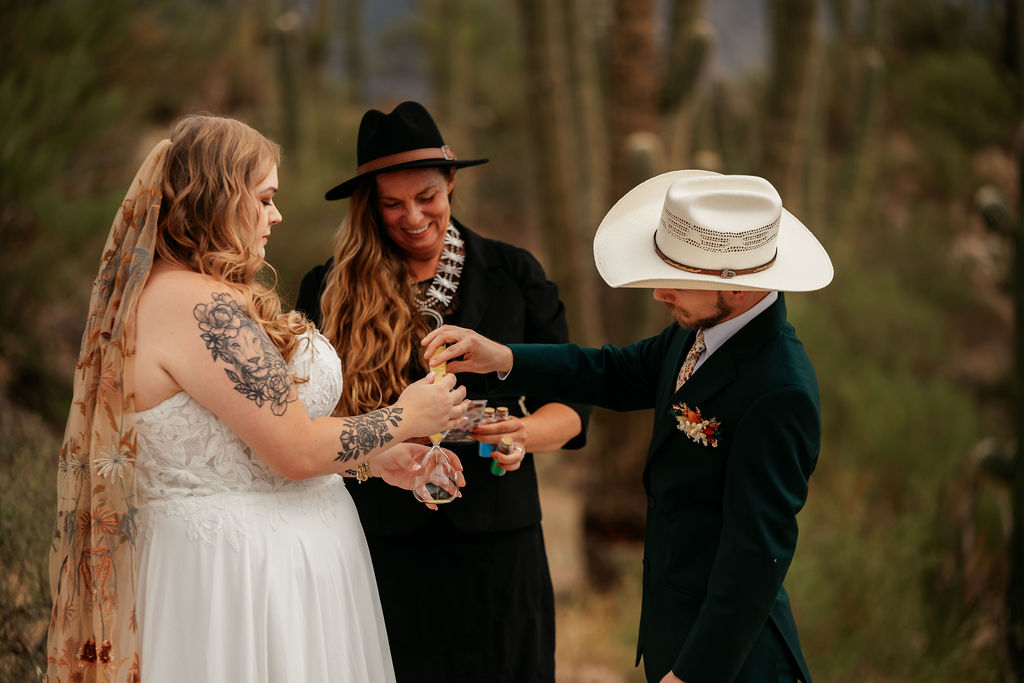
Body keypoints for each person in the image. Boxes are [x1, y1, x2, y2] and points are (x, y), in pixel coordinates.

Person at [46, 114, 469, 683]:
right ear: (219, 200)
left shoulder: (209, 295)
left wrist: (371, 459)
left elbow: (246, 441)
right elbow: (293, 448)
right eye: (265, 198)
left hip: (289, 564)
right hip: (238, 579)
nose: (276, 215)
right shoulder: (197, 308)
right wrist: (405, 416)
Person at [423, 170, 834, 683]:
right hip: (673, 633)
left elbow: (755, 561)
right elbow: (612, 372)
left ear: (738, 285)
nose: (660, 293)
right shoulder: (702, 329)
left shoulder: (780, 391)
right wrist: (502, 357)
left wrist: (692, 675)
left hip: (731, 663)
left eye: (680, 278)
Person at [295, 100, 590, 683]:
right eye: (392, 203)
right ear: (369, 206)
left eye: (426, 196)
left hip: (499, 550)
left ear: (451, 183)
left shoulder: (517, 274)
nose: (412, 217)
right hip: (380, 543)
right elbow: (304, 425)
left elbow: (573, 407)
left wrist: (522, 436)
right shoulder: (325, 289)